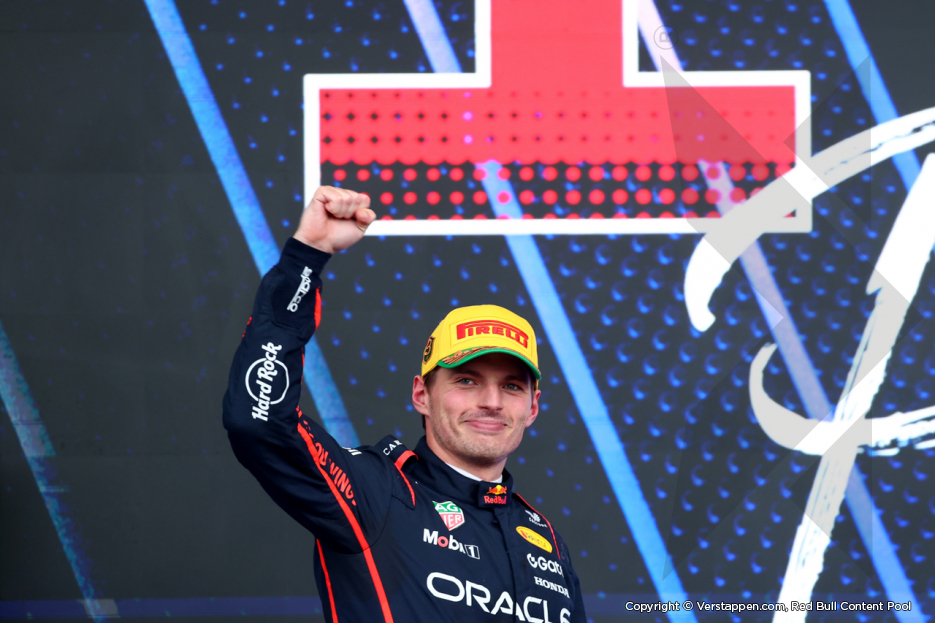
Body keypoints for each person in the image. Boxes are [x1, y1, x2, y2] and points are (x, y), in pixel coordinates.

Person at [223, 186, 585, 622]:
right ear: (421, 395)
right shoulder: (377, 490)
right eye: (466, 380)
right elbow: (259, 422)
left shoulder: (546, 540)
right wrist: (307, 256)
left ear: (533, 407)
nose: (491, 402)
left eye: (511, 387)